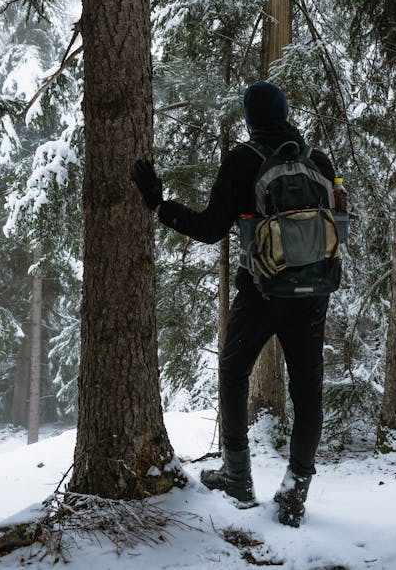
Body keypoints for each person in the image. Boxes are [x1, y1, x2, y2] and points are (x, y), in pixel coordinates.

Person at [132, 81, 335, 527]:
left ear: (250, 119)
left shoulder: (244, 159)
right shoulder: (317, 160)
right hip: (314, 293)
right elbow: (336, 214)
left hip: (262, 291)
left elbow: (209, 229)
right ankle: (294, 493)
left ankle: (238, 477)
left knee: (233, 369)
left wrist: (160, 205)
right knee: (307, 391)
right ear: (285, 113)